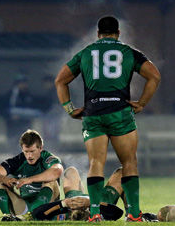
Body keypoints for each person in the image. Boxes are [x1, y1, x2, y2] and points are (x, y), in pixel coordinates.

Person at [54, 15, 161, 222]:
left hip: (93, 114)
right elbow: (154, 75)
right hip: (120, 113)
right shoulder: (128, 52)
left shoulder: (86, 52)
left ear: (98, 34)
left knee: (95, 163)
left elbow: (60, 80)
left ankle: (94, 214)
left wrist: (69, 109)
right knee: (129, 162)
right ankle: (134, 214)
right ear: (118, 33)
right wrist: (142, 103)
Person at [0, 129, 63, 221]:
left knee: (51, 181)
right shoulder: (18, 160)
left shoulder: (47, 158)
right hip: (25, 207)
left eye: (32, 151)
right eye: (26, 151)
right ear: (22, 149)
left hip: (48, 207)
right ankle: (7, 217)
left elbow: (57, 171)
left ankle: (35, 215)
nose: (29, 156)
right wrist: (4, 179)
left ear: (40, 148)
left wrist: (29, 179)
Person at [32, 166, 158, 222]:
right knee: (123, 173)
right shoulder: (99, 215)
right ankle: (131, 214)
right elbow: (116, 212)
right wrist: (91, 202)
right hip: (99, 202)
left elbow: (37, 213)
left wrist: (64, 203)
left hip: (73, 200)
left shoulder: (63, 214)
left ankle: (82, 191)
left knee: (70, 171)